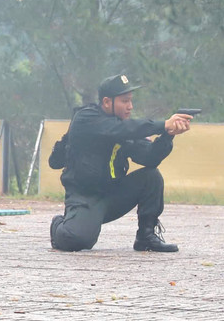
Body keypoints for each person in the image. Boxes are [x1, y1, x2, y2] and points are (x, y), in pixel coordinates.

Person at [49, 74, 192, 253]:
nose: (130, 106)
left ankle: (146, 237)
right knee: (77, 240)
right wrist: (163, 124)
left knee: (151, 176)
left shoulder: (124, 126)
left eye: (131, 101)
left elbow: (149, 157)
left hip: (113, 195)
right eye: (125, 101)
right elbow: (119, 130)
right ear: (107, 102)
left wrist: (168, 134)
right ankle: (58, 225)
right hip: (85, 198)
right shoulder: (86, 118)